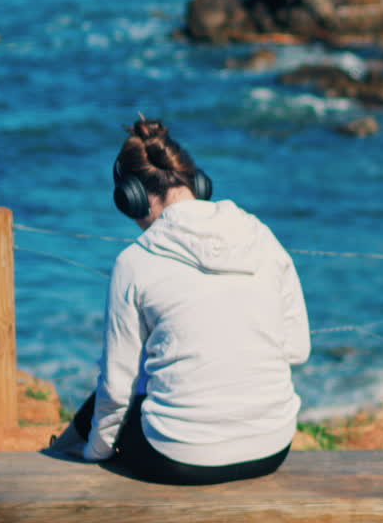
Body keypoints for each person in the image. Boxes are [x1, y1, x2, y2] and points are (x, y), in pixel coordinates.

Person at [45, 117, 310, 485]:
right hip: (272, 447)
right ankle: (55, 451)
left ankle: (53, 456)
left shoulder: (135, 262)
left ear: (131, 197)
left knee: (123, 388)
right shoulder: (262, 236)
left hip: (179, 457)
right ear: (198, 184)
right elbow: (296, 350)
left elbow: (117, 391)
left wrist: (95, 454)